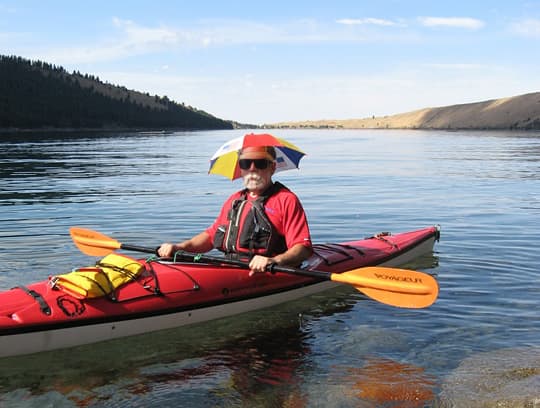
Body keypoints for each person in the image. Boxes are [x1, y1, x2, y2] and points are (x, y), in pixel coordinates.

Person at [158, 145, 312, 275]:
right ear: (241, 169)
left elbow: (303, 248)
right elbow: (211, 236)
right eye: (246, 163)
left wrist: (274, 261)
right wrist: (180, 247)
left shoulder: (286, 200)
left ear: (272, 167)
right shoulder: (235, 199)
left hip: (267, 271)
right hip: (230, 268)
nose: (252, 169)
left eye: (260, 163)